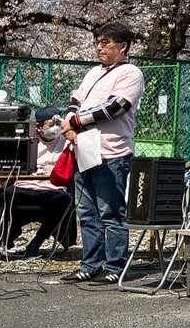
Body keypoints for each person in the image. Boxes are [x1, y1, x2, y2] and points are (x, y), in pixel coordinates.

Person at [60, 22, 147, 285]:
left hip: (112, 153)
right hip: (84, 149)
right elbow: (75, 101)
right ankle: (90, 264)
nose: (100, 48)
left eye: (106, 43)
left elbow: (115, 108)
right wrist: (70, 122)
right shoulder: (93, 72)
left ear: (123, 47)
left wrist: (76, 121)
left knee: (111, 212)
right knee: (87, 212)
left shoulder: (131, 73)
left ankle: (115, 266)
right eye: (97, 42)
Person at [0, 107, 74, 260]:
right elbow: (9, 164)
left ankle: (35, 244)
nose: (55, 129)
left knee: (64, 200)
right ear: (39, 127)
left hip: (51, 189)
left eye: (57, 124)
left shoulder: (66, 140)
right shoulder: (26, 139)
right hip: (21, 187)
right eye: (50, 125)